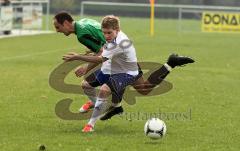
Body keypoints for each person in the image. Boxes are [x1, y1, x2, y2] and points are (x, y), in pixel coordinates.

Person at [62, 15, 194, 132]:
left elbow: (100, 58)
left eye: (109, 33)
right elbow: (103, 51)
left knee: (106, 89)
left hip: (127, 72)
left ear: (117, 30)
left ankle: (90, 125)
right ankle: (103, 105)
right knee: (86, 85)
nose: (106, 36)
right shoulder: (111, 38)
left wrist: (77, 57)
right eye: (104, 33)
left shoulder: (120, 42)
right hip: (111, 67)